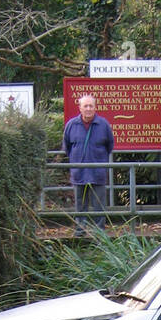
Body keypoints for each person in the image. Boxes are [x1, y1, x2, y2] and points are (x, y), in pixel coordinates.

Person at [63, 94, 115, 234]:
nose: (88, 108)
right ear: (79, 108)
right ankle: (80, 230)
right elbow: (67, 146)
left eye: (91, 106)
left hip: (98, 171)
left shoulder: (103, 124)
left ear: (95, 107)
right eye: (85, 106)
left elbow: (110, 145)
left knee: (99, 203)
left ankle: (100, 232)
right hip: (79, 171)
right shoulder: (71, 125)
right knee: (80, 203)